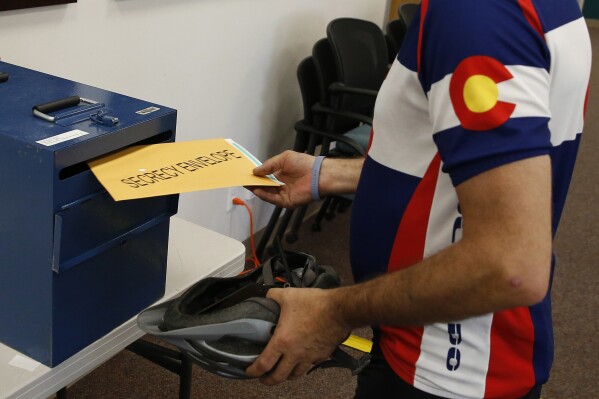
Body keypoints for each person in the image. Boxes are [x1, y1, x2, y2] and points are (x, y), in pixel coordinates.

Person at [246, 0, 592, 398]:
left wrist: (333, 311)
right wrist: (332, 173)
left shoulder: (475, 13)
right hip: (441, 340)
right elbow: (477, 165)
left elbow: (510, 263)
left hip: (445, 362)